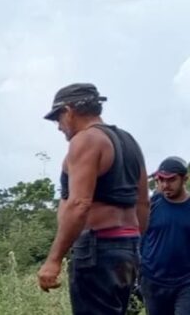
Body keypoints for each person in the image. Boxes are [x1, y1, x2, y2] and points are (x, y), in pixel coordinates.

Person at [37, 83, 149, 315]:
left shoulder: (86, 140)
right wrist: (136, 247)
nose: (59, 127)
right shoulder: (130, 142)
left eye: (58, 118)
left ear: (69, 111)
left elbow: (79, 204)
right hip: (127, 250)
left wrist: (53, 260)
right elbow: (142, 203)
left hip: (98, 250)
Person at [139, 156, 190, 314]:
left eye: (171, 180)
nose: (165, 185)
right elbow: (139, 236)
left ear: (185, 179)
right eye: (161, 180)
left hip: (185, 282)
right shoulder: (151, 205)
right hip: (153, 282)